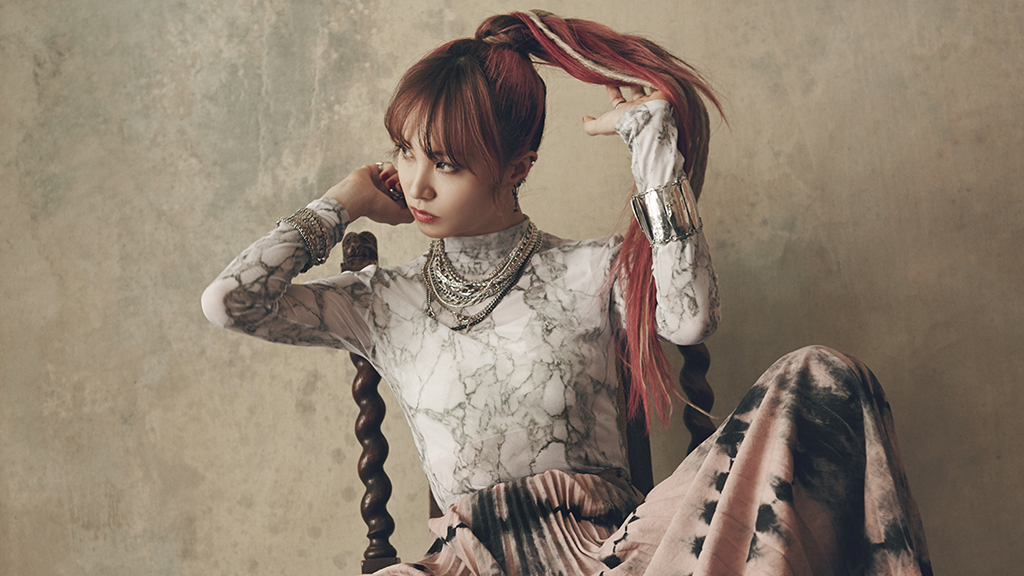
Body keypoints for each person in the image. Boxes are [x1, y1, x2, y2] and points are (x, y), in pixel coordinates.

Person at [202, 10, 931, 576]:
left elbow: (689, 318)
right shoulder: (381, 302)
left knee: (826, 376)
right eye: (405, 150)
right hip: (469, 562)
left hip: (616, 555)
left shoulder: (593, 270)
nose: (416, 184)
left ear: (518, 167)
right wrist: (343, 202)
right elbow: (229, 303)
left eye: (446, 163)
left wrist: (653, 148)